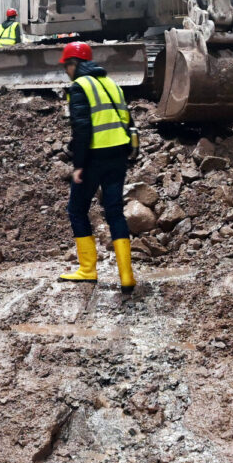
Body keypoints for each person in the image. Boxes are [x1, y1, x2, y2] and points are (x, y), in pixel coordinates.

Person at [56, 41, 136, 290]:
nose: (66, 71)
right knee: (114, 212)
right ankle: (126, 276)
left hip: (93, 157)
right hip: (119, 154)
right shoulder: (112, 84)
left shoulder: (79, 86)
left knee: (77, 209)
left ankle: (88, 269)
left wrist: (78, 164)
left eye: (66, 66)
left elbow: (82, 128)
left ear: (74, 64)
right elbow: (126, 119)